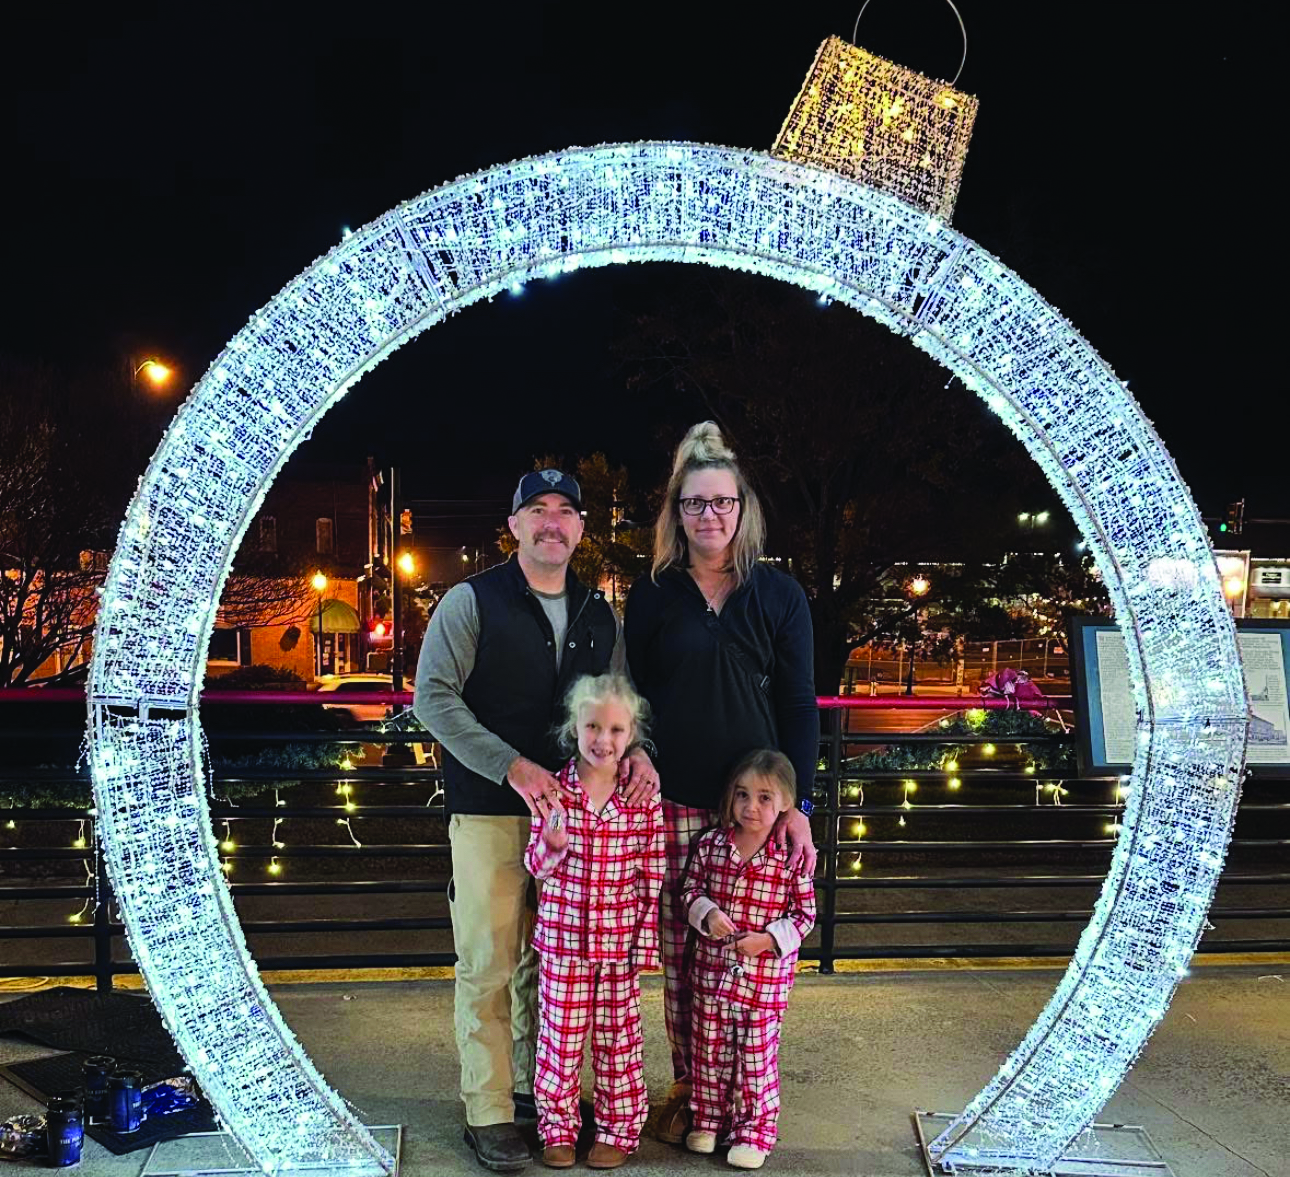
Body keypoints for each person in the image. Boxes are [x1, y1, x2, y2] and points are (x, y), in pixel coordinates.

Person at [414, 470, 659, 1174]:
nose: (553, 522)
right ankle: (489, 1108)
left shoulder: (597, 613)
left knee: (549, 966)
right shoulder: (471, 601)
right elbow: (433, 697)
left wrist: (638, 751)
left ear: (580, 528)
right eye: (538, 509)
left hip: (578, 817)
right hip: (491, 808)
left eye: (566, 511)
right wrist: (511, 766)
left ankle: (536, 1093)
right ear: (514, 525)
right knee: (489, 963)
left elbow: (615, 702)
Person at [624, 422, 819, 1144]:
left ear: (743, 509)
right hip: (674, 801)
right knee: (684, 959)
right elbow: (633, 692)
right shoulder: (653, 594)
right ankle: (691, 1091)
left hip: (753, 811)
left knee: (749, 959)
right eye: (695, 503)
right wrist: (637, 749)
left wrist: (796, 805)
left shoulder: (780, 595)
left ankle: (747, 1097)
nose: (710, 515)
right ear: (677, 513)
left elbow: (799, 704)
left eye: (722, 502)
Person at [524, 672, 665, 1171]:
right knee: (559, 1042)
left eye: (616, 730)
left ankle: (617, 1129)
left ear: (632, 734)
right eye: (592, 727)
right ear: (574, 727)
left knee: (618, 1042)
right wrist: (551, 847)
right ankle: (557, 1128)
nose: (603, 740)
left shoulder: (642, 797)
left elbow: (651, 872)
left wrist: (644, 944)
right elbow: (535, 865)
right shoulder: (553, 792)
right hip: (563, 943)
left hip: (619, 945)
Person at [679, 750, 816, 1170]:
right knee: (708, 1052)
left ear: (786, 803)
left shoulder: (789, 855)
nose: (750, 807)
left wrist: (768, 940)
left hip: (763, 984)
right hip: (712, 977)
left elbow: (805, 915)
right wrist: (706, 913)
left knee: (755, 1060)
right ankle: (708, 1121)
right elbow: (689, 891)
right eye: (742, 795)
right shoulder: (712, 845)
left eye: (764, 798)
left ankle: (754, 1131)